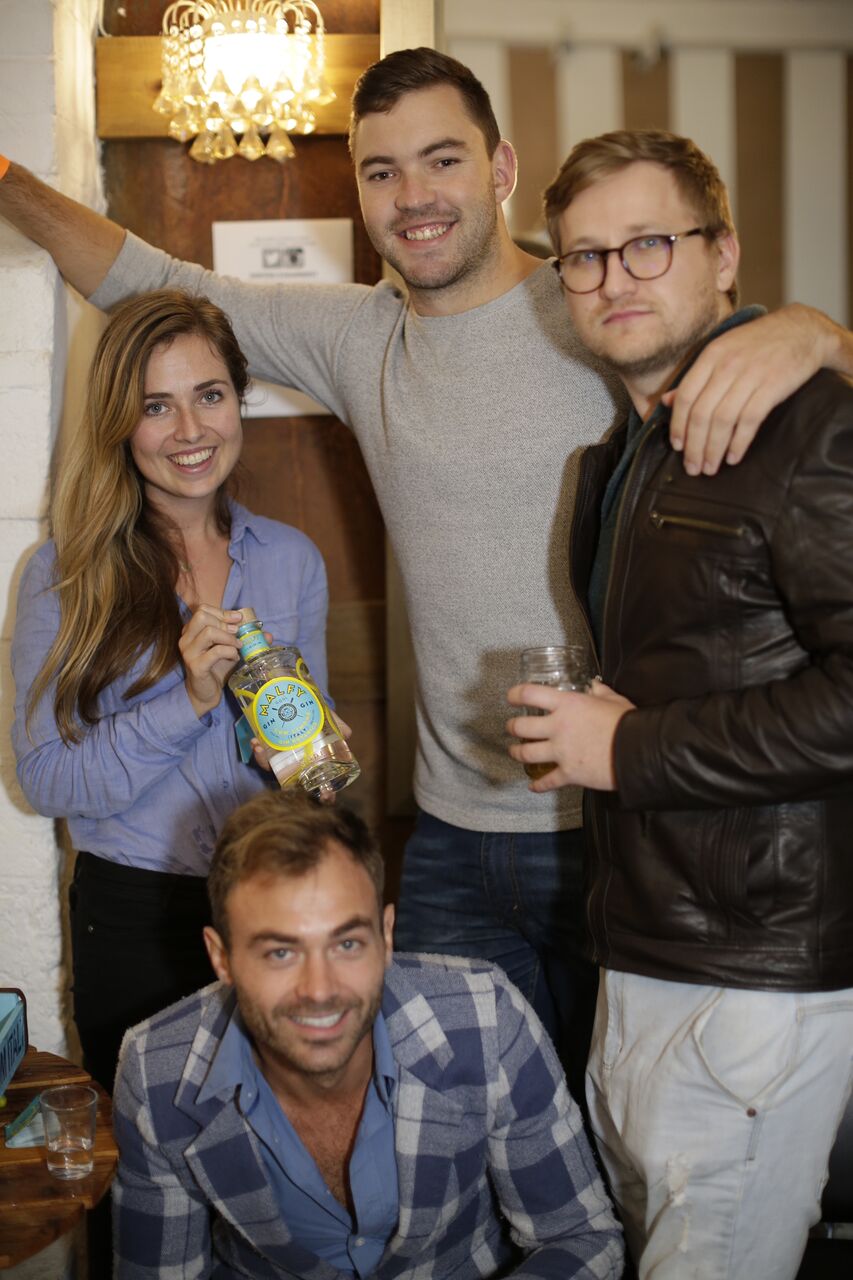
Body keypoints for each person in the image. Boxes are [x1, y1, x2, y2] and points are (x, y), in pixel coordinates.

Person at [1, 50, 851, 1096]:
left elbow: (740, 355)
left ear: (500, 168)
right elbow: (153, 283)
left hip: (611, 817)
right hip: (447, 836)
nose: (413, 196)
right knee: (448, 1125)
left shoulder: (593, 301)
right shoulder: (360, 339)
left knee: (623, 1124)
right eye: (381, 172)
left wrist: (815, 332)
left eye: (441, 160)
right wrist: (9, 178)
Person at [506, 129, 853, 1279]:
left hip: (755, 969)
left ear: (723, 254)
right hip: (641, 943)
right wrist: (595, 733)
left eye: (648, 244)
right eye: (584, 255)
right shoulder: (615, 458)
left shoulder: (810, 422)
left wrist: (631, 746)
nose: (614, 277)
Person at [11, 289, 329, 1095]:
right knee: (144, 1153)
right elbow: (46, 781)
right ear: (120, 422)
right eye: (157, 406)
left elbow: (304, 770)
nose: (190, 430)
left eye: (209, 395)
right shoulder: (64, 575)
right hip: (132, 918)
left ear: (239, 398)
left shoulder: (291, 560)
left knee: (274, 1138)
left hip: (271, 903)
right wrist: (189, 699)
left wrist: (310, 766)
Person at [112, 788, 624, 1279]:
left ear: (385, 935)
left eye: (347, 944)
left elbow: (579, 1236)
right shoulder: (156, 1072)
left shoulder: (484, 1018)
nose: (319, 990)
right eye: (280, 952)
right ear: (221, 957)